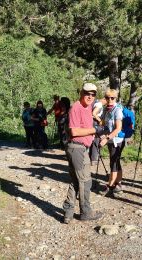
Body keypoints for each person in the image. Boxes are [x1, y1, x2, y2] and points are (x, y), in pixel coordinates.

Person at [63, 83, 103, 224]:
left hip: (80, 148)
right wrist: (95, 130)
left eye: (93, 94)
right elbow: (74, 131)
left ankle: (68, 212)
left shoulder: (88, 107)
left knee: (75, 181)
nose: (90, 96)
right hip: (77, 148)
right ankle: (86, 212)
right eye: (87, 94)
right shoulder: (76, 107)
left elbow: (101, 102)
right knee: (86, 181)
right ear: (81, 93)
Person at [99, 89, 124, 197]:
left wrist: (107, 137)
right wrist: (102, 133)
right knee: (116, 162)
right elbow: (104, 124)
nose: (109, 100)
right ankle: (118, 183)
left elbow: (118, 128)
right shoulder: (106, 109)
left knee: (113, 163)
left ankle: (111, 186)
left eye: (112, 98)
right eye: (107, 98)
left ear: (116, 98)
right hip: (110, 139)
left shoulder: (117, 110)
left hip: (116, 141)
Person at [89, 97, 107, 164]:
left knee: (94, 140)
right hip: (96, 123)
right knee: (96, 140)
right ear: (104, 99)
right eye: (107, 101)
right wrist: (100, 121)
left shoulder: (96, 103)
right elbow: (93, 113)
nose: (107, 103)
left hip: (93, 123)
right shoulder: (99, 104)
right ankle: (94, 159)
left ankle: (91, 157)